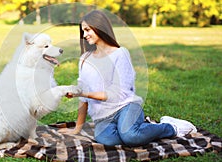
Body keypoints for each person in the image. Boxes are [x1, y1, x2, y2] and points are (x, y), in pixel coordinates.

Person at [59, 10, 197, 147]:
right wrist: (77, 128)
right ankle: (141, 126)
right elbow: (83, 98)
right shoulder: (84, 59)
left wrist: (83, 93)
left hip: (125, 106)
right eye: (83, 31)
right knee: (109, 140)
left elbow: (119, 94)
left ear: (99, 27)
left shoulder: (120, 54)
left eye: (88, 30)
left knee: (131, 137)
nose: (85, 35)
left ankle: (171, 127)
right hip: (102, 117)